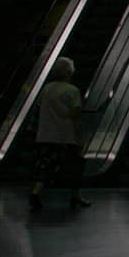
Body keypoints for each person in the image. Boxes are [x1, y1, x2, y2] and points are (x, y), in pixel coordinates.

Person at [30, 58, 87, 211]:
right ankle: (76, 195)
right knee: (75, 166)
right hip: (66, 137)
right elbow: (76, 115)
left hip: (45, 135)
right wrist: (80, 137)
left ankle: (36, 192)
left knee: (45, 164)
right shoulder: (72, 91)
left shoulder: (47, 89)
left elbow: (38, 110)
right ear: (69, 72)